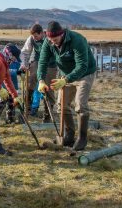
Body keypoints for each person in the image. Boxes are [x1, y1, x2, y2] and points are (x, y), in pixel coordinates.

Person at [37, 21, 97, 151]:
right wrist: (41, 80)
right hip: (66, 74)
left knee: (80, 105)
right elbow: (42, 61)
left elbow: (82, 66)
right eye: (50, 40)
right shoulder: (49, 42)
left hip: (85, 74)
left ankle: (82, 138)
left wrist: (66, 80)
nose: (53, 42)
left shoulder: (77, 40)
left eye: (55, 39)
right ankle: (69, 135)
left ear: (62, 34)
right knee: (61, 106)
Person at [20, 24, 58, 122]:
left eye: (36, 36)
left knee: (48, 87)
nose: (34, 38)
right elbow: (25, 52)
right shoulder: (31, 39)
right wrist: (24, 64)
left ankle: (47, 114)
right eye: (33, 36)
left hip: (50, 64)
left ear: (42, 33)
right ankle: (27, 109)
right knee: (31, 80)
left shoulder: (50, 38)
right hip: (37, 61)